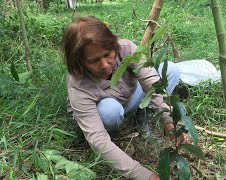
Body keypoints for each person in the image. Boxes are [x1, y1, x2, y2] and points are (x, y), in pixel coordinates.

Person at [61, 16, 188, 180]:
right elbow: (98, 139)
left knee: (170, 70)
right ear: (79, 62)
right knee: (109, 111)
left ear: (114, 45)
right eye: (93, 61)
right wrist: (141, 174)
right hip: (102, 110)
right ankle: (114, 133)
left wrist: (168, 121)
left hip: (127, 98)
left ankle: (145, 113)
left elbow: (151, 82)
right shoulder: (78, 83)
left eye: (108, 54)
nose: (105, 65)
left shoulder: (126, 48)